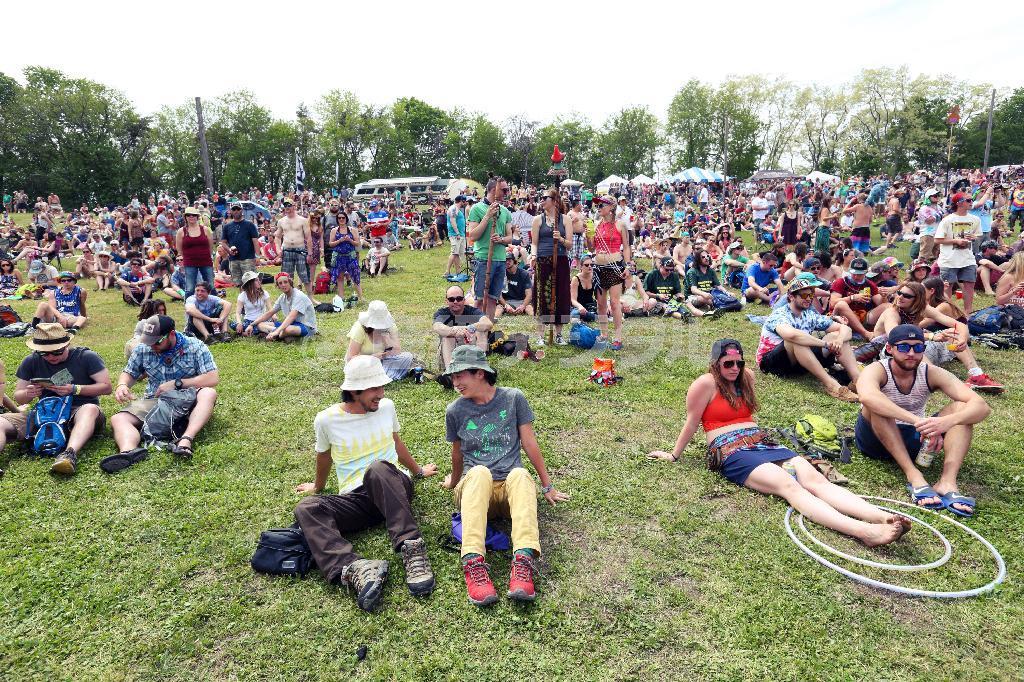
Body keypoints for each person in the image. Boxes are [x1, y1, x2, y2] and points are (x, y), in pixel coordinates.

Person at [647, 338, 906, 546]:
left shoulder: (746, 377)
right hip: (730, 450)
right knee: (789, 485)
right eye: (728, 364)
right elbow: (692, 422)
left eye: (739, 362)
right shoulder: (704, 384)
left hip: (762, 443)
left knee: (815, 480)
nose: (735, 368)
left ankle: (883, 517)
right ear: (715, 364)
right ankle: (863, 532)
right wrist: (674, 455)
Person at [292, 355, 438, 611]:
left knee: (377, 469)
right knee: (307, 508)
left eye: (382, 387)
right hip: (356, 499)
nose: (381, 394)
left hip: (392, 485)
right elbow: (323, 456)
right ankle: (354, 568)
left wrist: (417, 471)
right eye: (374, 388)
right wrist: (317, 487)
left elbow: (396, 442)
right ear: (353, 391)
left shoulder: (387, 407)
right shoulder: (326, 419)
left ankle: (412, 548)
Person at [439, 345, 568, 606]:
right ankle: (473, 562)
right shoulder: (455, 410)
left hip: (509, 494)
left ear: (480, 373)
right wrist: (453, 482)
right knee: (479, 472)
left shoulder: (513, 398)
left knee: (520, 474)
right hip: (476, 493)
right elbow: (457, 454)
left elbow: (529, 442)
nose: (455, 383)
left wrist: (547, 486)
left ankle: (523, 561)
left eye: (459, 376)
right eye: (452, 377)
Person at [856, 324, 992, 517]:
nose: (911, 353)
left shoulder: (931, 372)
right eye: (904, 347)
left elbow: (982, 407)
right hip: (875, 440)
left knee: (963, 409)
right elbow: (867, 397)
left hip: (916, 440)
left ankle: (947, 482)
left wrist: (947, 422)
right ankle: (914, 476)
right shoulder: (877, 369)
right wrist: (918, 422)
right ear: (890, 349)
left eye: (918, 347)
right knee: (877, 405)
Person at [109, 314, 219, 467]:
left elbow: (212, 378)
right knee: (118, 419)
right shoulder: (143, 348)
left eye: (157, 342)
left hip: (188, 400)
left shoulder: (195, 346)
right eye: (148, 341)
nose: (152, 346)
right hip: (156, 401)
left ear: (171, 334)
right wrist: (122, 385)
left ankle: (185, 439)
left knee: (209, 393)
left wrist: (177, 383)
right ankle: (129, 452)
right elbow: (129, 372)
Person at [12, 323, 112, 474]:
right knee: (2, 422)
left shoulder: (86, 357)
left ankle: (69, 454)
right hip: (46, 414)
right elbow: (19, 398)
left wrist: (75, 389)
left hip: (80, 411)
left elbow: (106, 387)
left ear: (67, 345)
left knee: (90, 409)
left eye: (57, 352)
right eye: (44, 353)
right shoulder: (31, 361)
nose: (51, 357)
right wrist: (28, 393)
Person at [869, 281, 1003, 391]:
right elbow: (897, 336)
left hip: (911, 351)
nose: (900, 297)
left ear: (917, 300)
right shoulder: (892, 312)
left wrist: (962, 339)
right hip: (890, 353)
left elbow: (959, 325)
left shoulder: (922, 308)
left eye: (907, 296)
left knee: (953, 333)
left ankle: (976, 376)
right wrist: (931, 336)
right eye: (899, 293)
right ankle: (940, 380)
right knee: (913, 346)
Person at [756, 275, 860, 402]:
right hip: (772, 363)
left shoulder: (809, 315)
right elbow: (791, 335)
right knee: (797, 340)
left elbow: (846, 329)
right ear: (791, 297)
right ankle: (832, 386)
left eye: (811, 295)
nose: (809, 299)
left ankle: (857, 381)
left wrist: (838, 340)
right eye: (804, 295)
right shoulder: (780, 314)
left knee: (837, 335)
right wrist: (825, 344)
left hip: (798, 360)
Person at [467, 176, 512, 320]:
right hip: (483, 259)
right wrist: (487, 216)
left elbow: (510, 237)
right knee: (480, 299)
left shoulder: (505, 211)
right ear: (493, 190)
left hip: (500, 260)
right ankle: (474, 329)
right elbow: (473, 236)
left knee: (493, 299)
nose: (507, 193)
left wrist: (501, 239)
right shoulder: (477, 208)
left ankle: (489, 329)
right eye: (504, 190)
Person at [530, 189, 572, 344]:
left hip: (560, 260)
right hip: (543, 260)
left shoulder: (565, 219)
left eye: (544, 197)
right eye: (540, 197)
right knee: (541, 295)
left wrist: (560, 238)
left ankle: (559, 334)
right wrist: (533, 255)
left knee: (561, 294)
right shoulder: (537, 220)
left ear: (554, 201)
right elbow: (534, 243)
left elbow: (569, 245)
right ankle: (541, 336)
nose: (541, 200)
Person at [591, 196, 631, 349]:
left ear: (611, 207)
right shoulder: (596, 225)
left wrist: (628, 266)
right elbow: (591, 248)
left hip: (615, 267)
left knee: (614, 303)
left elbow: (626, 247)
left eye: (601, 205)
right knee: (601, 304)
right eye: (597, 205)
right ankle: (604, 334)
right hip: (599, 267)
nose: (598, 207)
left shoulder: (620, 225)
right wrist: (589, 236)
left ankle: (618, 337)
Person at [934, 192, 982, 315]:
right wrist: (956, 241)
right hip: (949, 259)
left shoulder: (975, 219)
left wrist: (974, 237)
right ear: (959, 203)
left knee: (969, 285)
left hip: (968, 258)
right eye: (968, 200)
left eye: (971, 200)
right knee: (947, 286)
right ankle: (947, 313)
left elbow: (977, 235)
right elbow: (937, 240)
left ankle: (967, 313)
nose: (972, 202)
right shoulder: (947, 220)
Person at [346, 300, 418, 381]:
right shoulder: (359, 328)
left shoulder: (390, 326)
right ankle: (385, 375)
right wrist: (371, 358)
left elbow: (397, 352)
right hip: (363, 364)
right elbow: (350, 358)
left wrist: (387, 339)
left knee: (407, 356)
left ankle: (380, 376)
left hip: (383, 361)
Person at [433, 285, 493, 371]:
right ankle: (450, 372)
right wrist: (454, 331)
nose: (455, 302)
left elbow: (488, 323)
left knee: (481, 331)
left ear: (464, 300)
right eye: (451, 299)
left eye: (459, 298)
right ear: (446, 301)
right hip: (448, 352)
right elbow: (437, 326)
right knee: (447, 336)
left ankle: (479, 368)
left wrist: (469, 328)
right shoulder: (442, 313)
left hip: (470, 349)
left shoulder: (472, 311)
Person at [248, 273, 317, 341]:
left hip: (306, 326)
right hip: (291, 324)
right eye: (280, 283)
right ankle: (283, 336)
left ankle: (278, 335)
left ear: (290, 282)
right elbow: (270, 313)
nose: (283, 285)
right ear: (278, 286)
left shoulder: (298, 296)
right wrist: (252, 324)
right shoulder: (282, 297)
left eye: (285, 282)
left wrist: (277, 331)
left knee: (288, 329)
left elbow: (291, 317)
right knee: (260, 325)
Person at [829, 257, 886, 339]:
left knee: (887, 306)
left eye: (859, 274)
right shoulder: (841, 282)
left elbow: (881, 304)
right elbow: (833, 303)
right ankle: (865, 333)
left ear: (866, 273)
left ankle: (885, 332)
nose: (856, 276)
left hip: (861, 316)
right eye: (853, 273)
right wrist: (852, 298)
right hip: (840, 317)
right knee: (841, 304)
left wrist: (884, 296)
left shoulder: (869, 284)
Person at [275, 199, 314, 290]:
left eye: (289, 205)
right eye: (285, 206)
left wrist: (310, 254)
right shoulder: (281, 221)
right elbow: (277, 237)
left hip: (300, 250)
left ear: (294, 206)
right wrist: (278, 250)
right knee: (286, 277)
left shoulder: (303, 220)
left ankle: (310, 296)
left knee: (305, 275)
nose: (287, 207)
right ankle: (290, 296)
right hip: (286, 250)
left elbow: (308, 238)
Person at [176, 206, 215, 296]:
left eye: (193, 215)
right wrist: (186, 257)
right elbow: (179, 249)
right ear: (185, 217)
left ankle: (215, 303)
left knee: (211, 286)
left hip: (206, 261)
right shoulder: (181, 231)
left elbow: (211, 246)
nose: (191, 217)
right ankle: (188, 304)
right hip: (189, 262)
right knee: (190, 288)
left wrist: (208, 256)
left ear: (197, 217)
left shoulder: (205, 229)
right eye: (188, 215)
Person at [220, 203, 260, 286]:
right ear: (230, 211)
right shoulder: (227, 226)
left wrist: (257, 256)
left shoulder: (249, 224)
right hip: (233, 259)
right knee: (237, 284)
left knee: (251, 282)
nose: (236, 211)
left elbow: (255, 241)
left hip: (248, 258)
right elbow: (223, 242)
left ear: (242, 210)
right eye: (234, 209)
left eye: (238, 209)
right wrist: (229, 250)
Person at [327, 212, 363, 303]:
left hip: (350, 256)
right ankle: (341, 297)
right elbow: (330, 244)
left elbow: (357, 243)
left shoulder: (352, 230)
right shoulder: (334, 230)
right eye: (339, 218)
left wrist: (349, 240)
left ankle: (361, 297)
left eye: (343, 217)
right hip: (339, 257)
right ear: (337, 220)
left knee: (355, 276)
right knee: (340, 277)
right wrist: (339, 240)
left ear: (346, 218)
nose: (341, 219)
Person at [230, 271, 275, 338]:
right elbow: (238, 313)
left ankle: (246, 333)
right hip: (248, 321)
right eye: (256, 280)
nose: (259, 281)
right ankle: (257, 332)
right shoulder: (242, 295)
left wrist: (274, 315)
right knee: (233, 324)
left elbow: (270, 309)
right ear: (250, 283)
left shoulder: (264, 293)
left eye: (258, 279)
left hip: (261, 320)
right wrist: (239, 323)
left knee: (261, 326)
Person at [496, 254, 534, 320]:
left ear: (514, 261)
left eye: (509, 260)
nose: (507, 262)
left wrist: (523, 306)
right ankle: (492, 323)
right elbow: (498, 294)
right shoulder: (501, 274)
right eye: (505, 260)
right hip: (506, 301)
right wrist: (506, 305)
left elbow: (529, 294)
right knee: (498, 310)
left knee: (530, 309)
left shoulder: (524, 274)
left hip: (522, 301)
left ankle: (538, 323)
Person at [570, 255, 599, 322]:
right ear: (581, 267)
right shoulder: (576, 279)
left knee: (606, 309)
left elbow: (598, 297)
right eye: (586, 265)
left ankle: (592, 316)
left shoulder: (594, 277)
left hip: (591, 306)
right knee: (575, 315)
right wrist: (580, 307)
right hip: (578, 307)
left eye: (591, 265)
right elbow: (573, 300)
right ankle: (594, 317)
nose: (589, 266)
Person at [446, 195, 467, 277]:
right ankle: (447, 272)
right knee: (454, 252)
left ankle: (458, 271)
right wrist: (457, 233)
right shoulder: (453, 208)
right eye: (464, 201)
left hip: (460, 234)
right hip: (455, 235)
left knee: (457, 253)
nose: (465, 203)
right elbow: (452, 221)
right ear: (461, 201)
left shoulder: (458, 209)